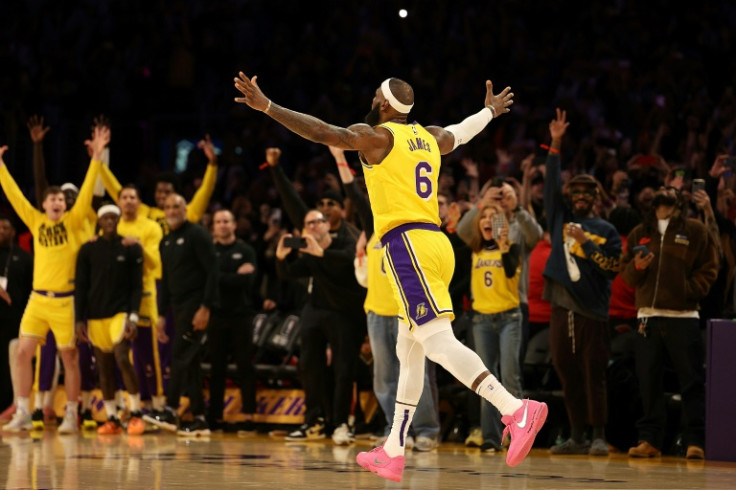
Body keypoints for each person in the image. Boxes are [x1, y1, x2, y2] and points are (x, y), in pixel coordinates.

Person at [234, 73, 547, 482]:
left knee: (436, 342)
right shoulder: (429, 137)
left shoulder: (377, 137)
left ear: (383, 105)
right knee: (409, 347)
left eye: (372, 95)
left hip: (406, 244)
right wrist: (489, 110)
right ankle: (394, 447)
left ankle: (514, 409)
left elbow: (326, 132)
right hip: (434, 242)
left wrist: (269, 107)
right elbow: (462, 132)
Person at [329, 145, 441, 451]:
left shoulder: (410, 221)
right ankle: (396, 432)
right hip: (376, 313)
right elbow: (353, 192)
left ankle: (428, 430)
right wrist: (340, 157)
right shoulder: (373, 225)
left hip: (409, 311)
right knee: (384, 378)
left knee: (415, 374)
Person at [0, 126, 108, 434]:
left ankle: (72, 414)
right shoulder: (35, 221)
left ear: (65, 204)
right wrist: (1, 168)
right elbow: (15, 196)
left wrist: (97, 158)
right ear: (45, 204)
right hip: (38, 299)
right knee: (22, 352)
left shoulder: (75, 222)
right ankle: (22, 409)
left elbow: (87, 189)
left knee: (69, 358)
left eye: (62, 199)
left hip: (64, 302)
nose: (58, 202)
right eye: (53, 199)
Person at [541, 109, 622, 456]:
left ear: (598, 196)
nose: (581, 196)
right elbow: (549, 187)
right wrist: (556, 144)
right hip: (561, 308)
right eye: (576, 191)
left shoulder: (606, 230)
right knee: (566, 372)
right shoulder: (561, 217)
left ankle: (599, 434)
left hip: (592, 312)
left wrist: (585, 243)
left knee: (594, 376)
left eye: (588, 191)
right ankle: (576, 435)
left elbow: (610, 268)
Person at [620, 185, 718, 459]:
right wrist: (637, 267)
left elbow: (711, 267)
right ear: (652, 200)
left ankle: (694, 440)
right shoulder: (640, 232)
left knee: (691, 381)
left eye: (672, 188)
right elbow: (626, 276)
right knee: (648, 382)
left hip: (683, 316)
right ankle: (649, 439)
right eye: (661, 187)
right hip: (647, 317)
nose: (666, 190)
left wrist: (688, 289)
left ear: (682, 199)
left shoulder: (695, 230)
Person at [27, 115, 102, 431]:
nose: (69, 200)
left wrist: (99, 155)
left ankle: (81, 407)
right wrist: (38, 147)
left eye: (72, 196)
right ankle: (41, 407)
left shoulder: (89, 215)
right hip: (57, 290)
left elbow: (94, 189)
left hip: (82, 291)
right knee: (48, 355)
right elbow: (42, 186)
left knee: (82, 354)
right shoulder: (60, 218)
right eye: (64, 197)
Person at [275, 208, 366, 445]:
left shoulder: (345, 243)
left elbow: (348, 261)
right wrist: (281, 258)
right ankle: (313, 420)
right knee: (308, 365)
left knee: (343, 369)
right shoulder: (308, 253)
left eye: (317, 222)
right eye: (308, 224)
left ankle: (341, 423)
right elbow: (289, 275)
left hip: (344, 314)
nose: (313, 227)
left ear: (327, 225)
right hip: (315, 311)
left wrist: (321, 254)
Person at [146, 194, 219, 436]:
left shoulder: (197, 235)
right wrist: (162, 317)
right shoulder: (165, 241)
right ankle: (199, 417)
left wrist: (206, 307)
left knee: (178, 355)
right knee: (190, 363)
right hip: (176, 308)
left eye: (177, 206)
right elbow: (165, 281)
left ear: (185, 209)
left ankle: (170, 409)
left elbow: (213, 271)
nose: (172, 210)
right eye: (167, 207)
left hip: (196, 305)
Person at [74, 204, 145, 435]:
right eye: (106, 217)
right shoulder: (87, 250)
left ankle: (135, 413)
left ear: (118, 219)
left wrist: (133, 316)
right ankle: (112, 416)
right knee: (103, 368)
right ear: (100, 221)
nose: (110, 221)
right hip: (95, 316)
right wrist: (79, 319)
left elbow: (137, 287)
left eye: (114, 217)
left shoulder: (131, 248)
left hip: (120, 314)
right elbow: (81, 287)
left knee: (122, 357)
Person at [460, 202, 524, 453]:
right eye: (483, 217)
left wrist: (504, 245)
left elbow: (510, 271)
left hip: (509, 318)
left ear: (503, 224)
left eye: (493, 217)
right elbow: (462, 229)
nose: (488, 220)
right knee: (487, 380)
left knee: (510, 376)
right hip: (481, 320)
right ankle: (491, 436)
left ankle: (519, 434)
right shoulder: (473, 250)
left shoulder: (513, 248)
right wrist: (479, 203)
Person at [114, 184, 165, 419]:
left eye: (133, 197)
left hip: (145, 296)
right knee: (123, 355)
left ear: (139, 201)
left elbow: (156, 264)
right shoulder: (112, 225)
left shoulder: (151, 227)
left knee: (148, 355)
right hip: (118, 299)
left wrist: (139, 246)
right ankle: (133, 405)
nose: (128, 201)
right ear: (118, 202)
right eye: (124, 197)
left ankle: (158, 404)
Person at [208, 209, 258, 432]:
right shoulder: (209, 251)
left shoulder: (246, 250)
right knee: (217, 368)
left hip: (242, 315)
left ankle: (249, 416)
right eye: (218, 221)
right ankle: (215, 416)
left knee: (245, 366)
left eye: (226, 220)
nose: (222, 224)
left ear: (234, 224)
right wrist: (235, 276)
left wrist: (225, 278)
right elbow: (211, 280)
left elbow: (249, 282)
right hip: (216, 314)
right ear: (213, 226)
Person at [0, 216, 33, 419]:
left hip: (15, 320)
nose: (1, 231)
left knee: (11, 362)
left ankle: (14, 405)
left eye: (5, 227)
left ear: (13, 231)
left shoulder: (26, 257)